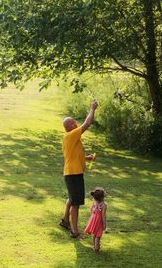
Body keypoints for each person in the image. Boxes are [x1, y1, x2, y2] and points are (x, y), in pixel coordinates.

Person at [59, 100, 98, 239]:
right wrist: (92, 109)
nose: (76, 124)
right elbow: (87, 123)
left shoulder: (69, 138)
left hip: (71, 172)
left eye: (76, 122)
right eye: (73, 123)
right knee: (76, 203)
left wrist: (87, 158)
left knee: (72, 198)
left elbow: (74, 155)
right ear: (68, 126)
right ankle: (74, 232)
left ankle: (65, 221)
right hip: (73, 174)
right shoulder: (71, 134)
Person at [85, 187, 107, 252]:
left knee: (94, 233)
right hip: (99, 220)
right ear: (102, 197)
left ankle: (94, 246)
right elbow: (103, 215)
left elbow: (91, 210)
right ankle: (97, 248)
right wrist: (104, 224)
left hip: (93, 218)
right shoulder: (104, 205)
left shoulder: (94, 203)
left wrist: (93, 217)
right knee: (98, 235)